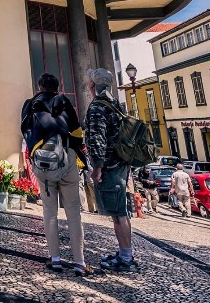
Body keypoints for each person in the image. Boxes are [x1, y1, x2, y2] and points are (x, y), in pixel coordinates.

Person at [21, 73, 91, 276]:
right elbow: (78, 132)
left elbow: (25, 130)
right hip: (67, 158)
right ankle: (79, 261)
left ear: (39, 86)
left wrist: (36, 150)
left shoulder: (31, 104)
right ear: (57, 87)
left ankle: (56, 259)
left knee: (49, 213)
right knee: (73, 212)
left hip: (44, 161)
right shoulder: (64, 102)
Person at [85, 68, 137, 271]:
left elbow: (97, 138)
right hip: (121, 163)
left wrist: (97, 167)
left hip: (110, 166)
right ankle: (125, 253)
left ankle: (126, 258)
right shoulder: (113, 104)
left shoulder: (97, 108)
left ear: (93, 84)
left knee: (118, 214)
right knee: (120, 212)